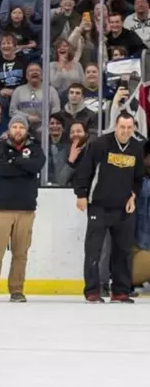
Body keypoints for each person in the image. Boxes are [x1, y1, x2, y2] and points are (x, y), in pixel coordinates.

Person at [75, 113, 145, 303]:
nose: (125, 131)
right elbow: (84, 170)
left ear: (134, 129)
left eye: (129, 128)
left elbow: (138, 178)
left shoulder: (137, 148)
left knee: (123, 250)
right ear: (116, 126)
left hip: (124, 208)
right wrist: (81, 194)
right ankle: (92, 290)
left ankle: (120, 291)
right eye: (122, 127)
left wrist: (134, 195)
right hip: (99, 205)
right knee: (94, 250)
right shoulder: (99, 144)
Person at [0, 115, 45, 303]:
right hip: (1, 208)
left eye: (21, 127)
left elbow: (37, 165)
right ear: (9, 129)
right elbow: (0, 169)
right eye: (14, 126)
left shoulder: (35, 147)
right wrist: (23, 166)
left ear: (26, 130)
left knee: (20, 254)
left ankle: (16, 290)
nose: (18, 130)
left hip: (26, 209)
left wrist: (14, 161)